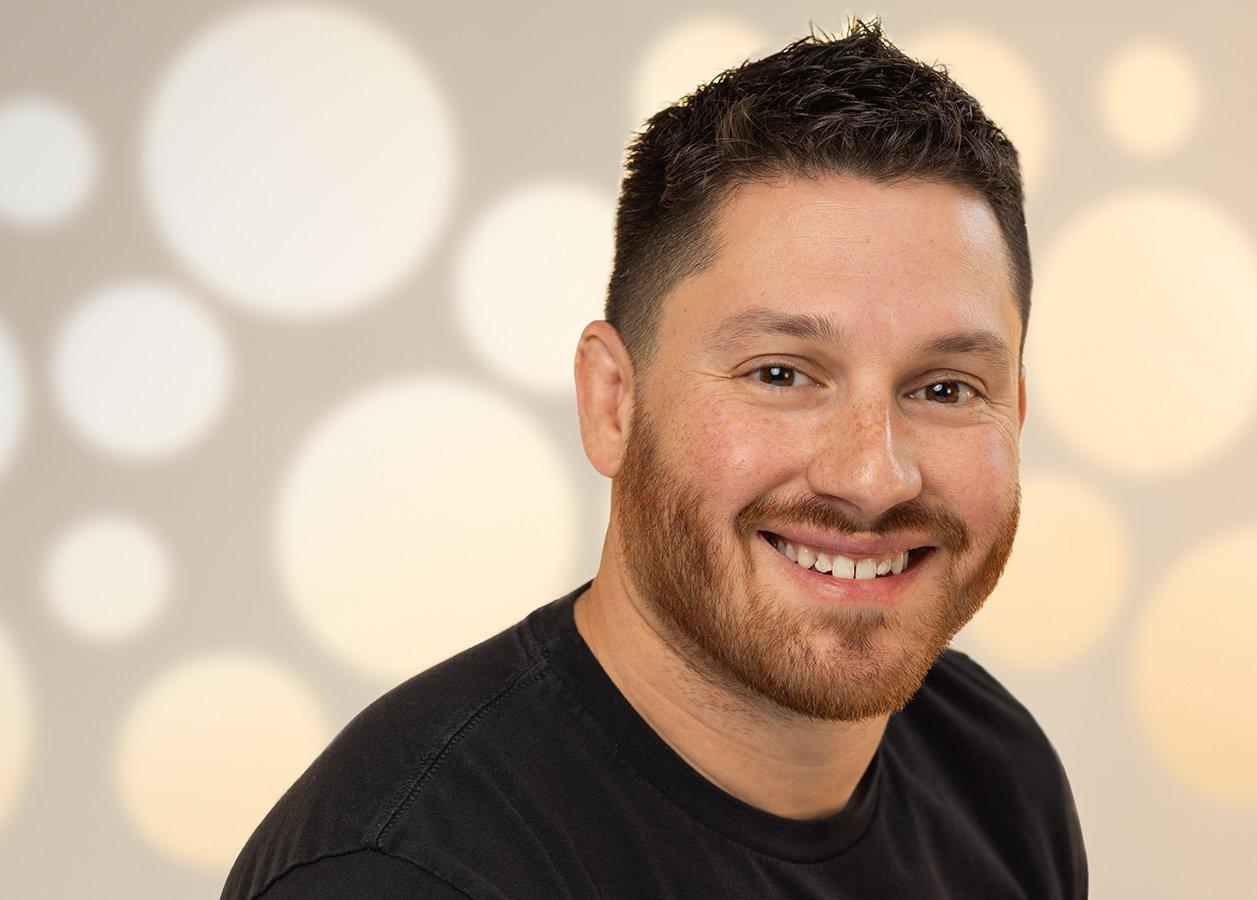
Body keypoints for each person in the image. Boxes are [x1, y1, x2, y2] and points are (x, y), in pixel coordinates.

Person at [223, 18, 1088, 898]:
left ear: (1015, 411)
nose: (873, 477)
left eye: (944, 389)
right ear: (611, 403)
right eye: (782, 374)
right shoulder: (409, 874)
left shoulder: (990, 770)